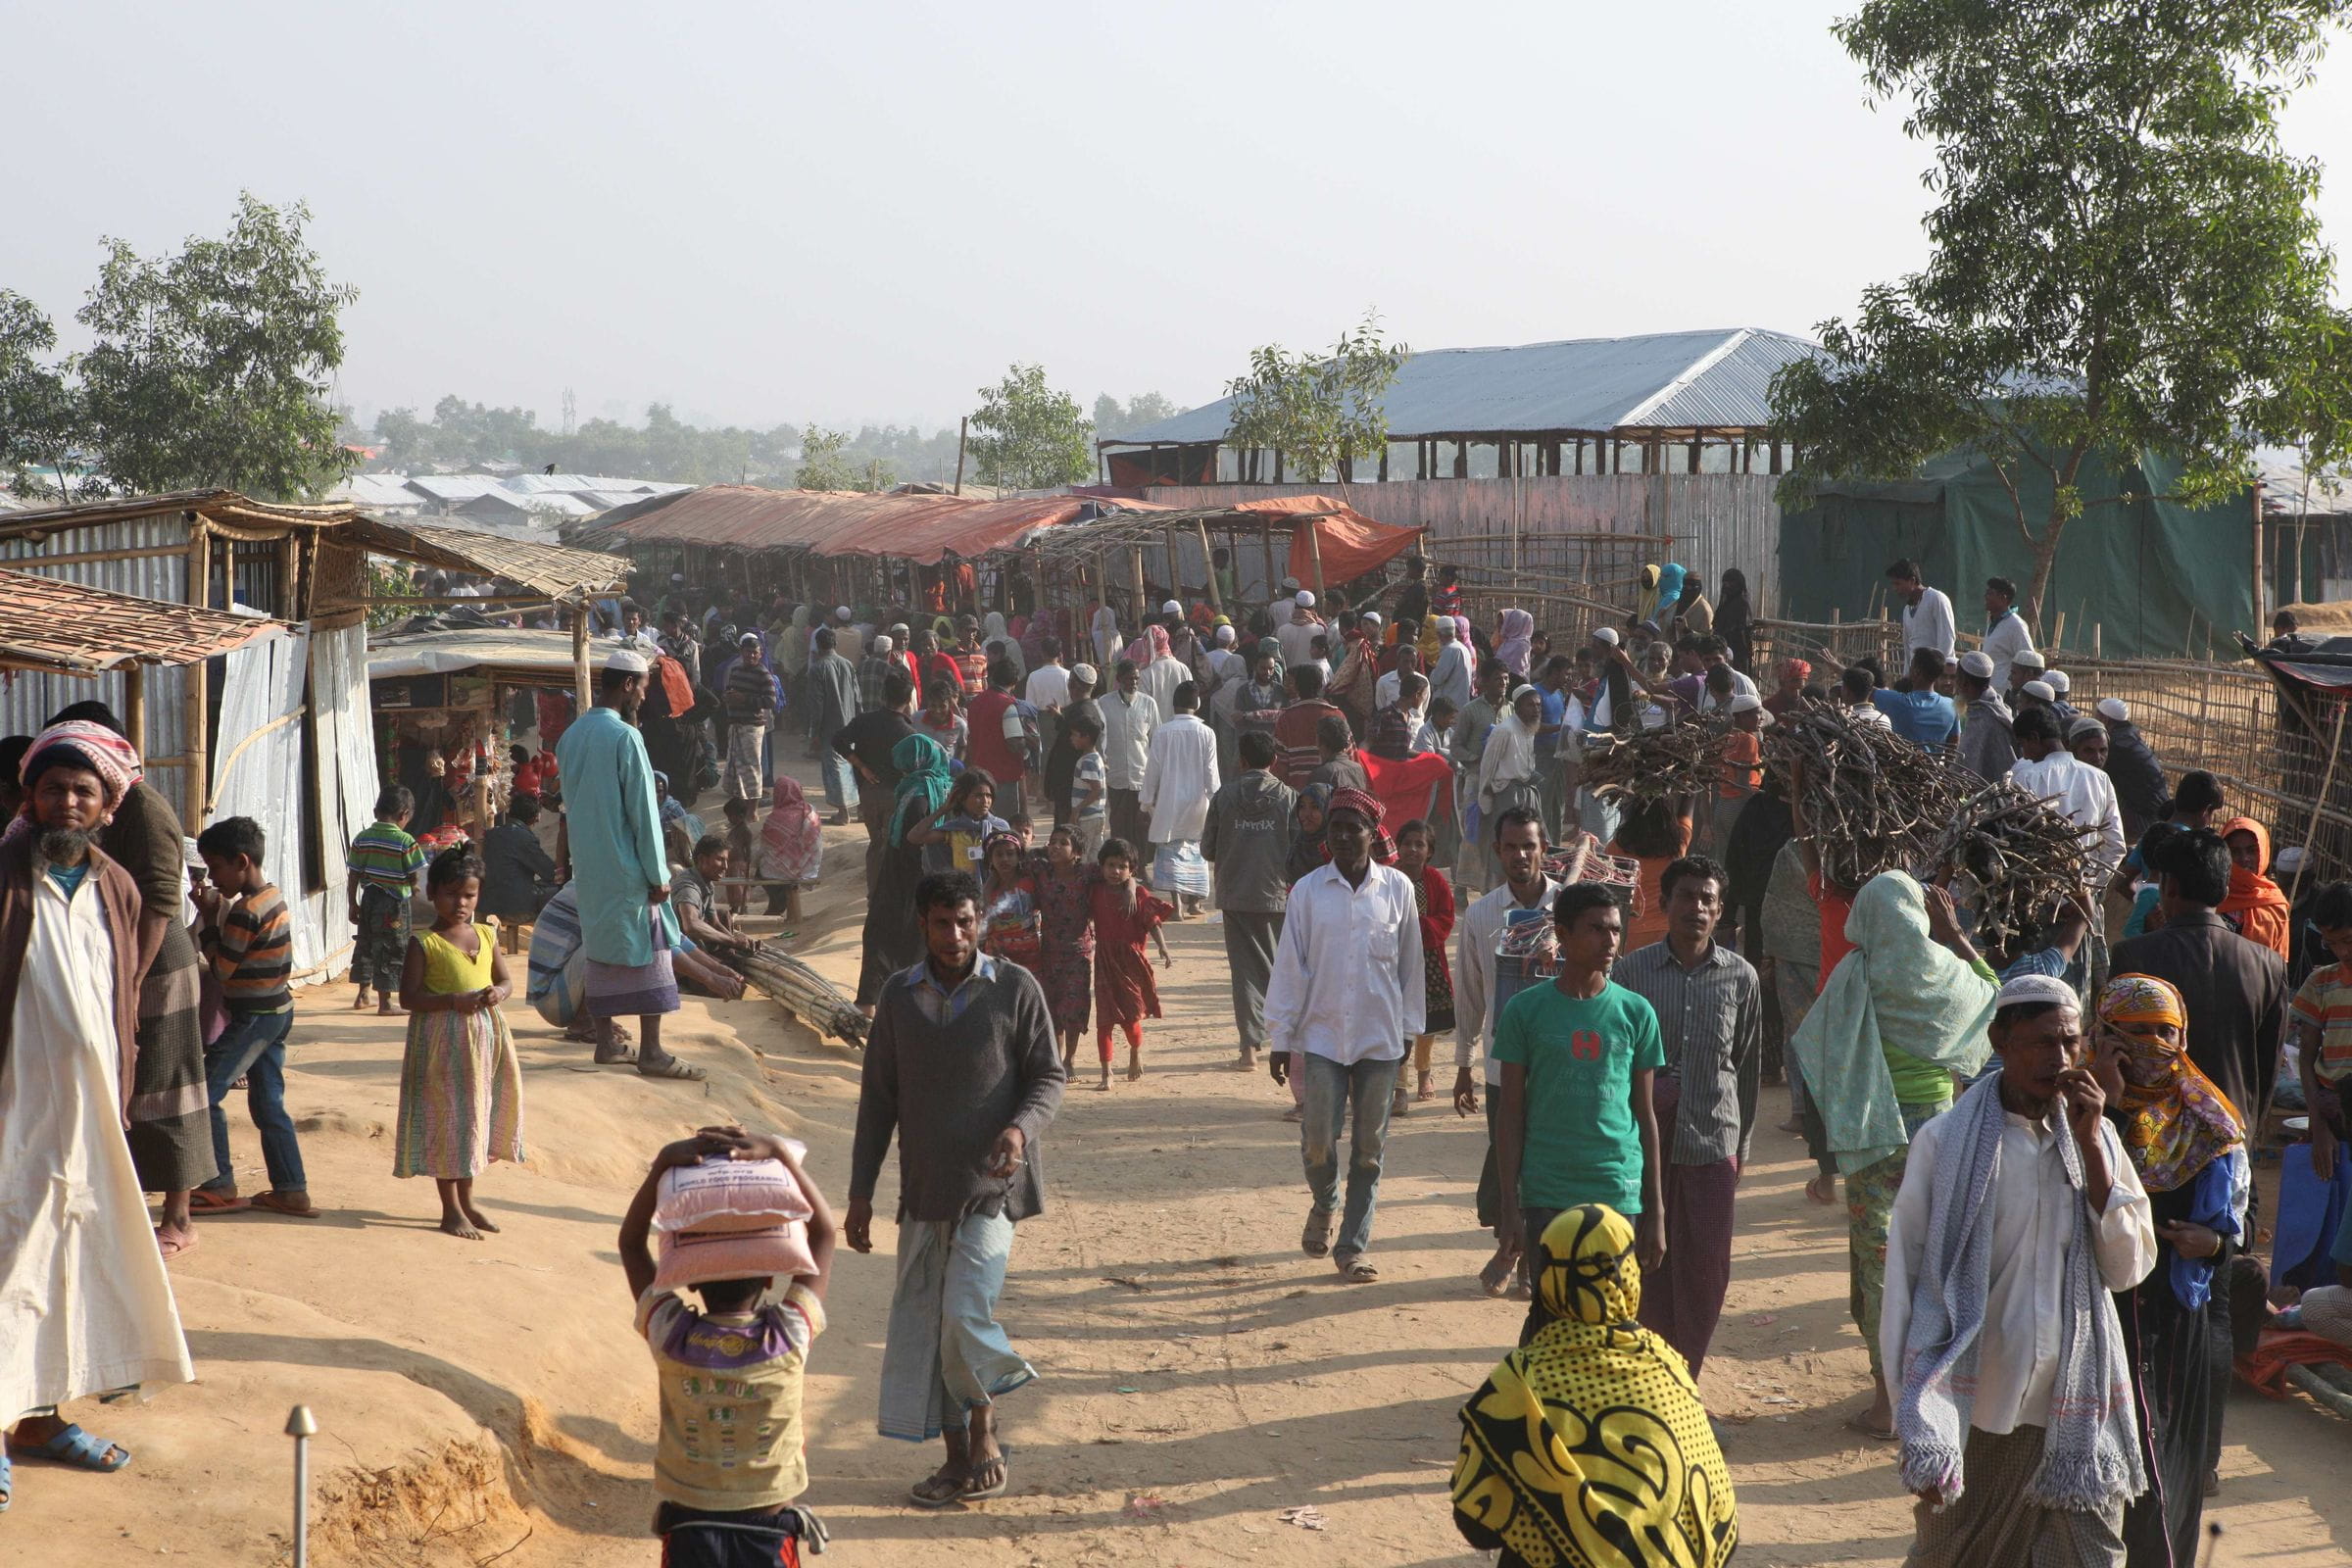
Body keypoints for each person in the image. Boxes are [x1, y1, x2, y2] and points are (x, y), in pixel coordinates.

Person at [1883, 973, 2155, 1568]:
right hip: (1978, 1405)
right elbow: (1906, 1283)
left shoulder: (2099, 1139)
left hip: (2075, 1403)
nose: (2058, 1059)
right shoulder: (1944, 1143)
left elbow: (2128, 1267)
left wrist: (2091, 1152)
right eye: (2040, 1042)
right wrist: (1914, 1413)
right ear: (2000, 1042)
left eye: (2070, 1042)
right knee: (1955, 1555)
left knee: (2092, 1557)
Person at [0, 722, 196, 1499]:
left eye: (83, 791)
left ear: (108, 803)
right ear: (32, 797)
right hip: (16, 1113)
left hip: (90, 1118)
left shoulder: (117, 885)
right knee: (12, 1256)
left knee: (73, 1261)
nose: (68, 802)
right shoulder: (5, 874)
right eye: (54, 789)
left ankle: (42, 1419)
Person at [848, 871, 1065, 1506]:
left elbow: (1048, 1078)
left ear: (980, 921)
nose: (955, 935)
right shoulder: (896, 998)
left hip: (993, 1190)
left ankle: (985, 1426)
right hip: (924, 1192)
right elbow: (877, 1103)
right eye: (942, 923)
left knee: (966, 1311)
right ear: (922, 923)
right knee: (930, 1325)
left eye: (966, 921)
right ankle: (954, 1463)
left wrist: (1019, 1133)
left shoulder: (1015, 989)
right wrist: (860, 1193)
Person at [1789, 871, 1996, 1437]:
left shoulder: (1856, 972)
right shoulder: (1945, 971)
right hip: (1938, 1133)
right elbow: (1994, 998)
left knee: (1879, 1262)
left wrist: (1825, 1157)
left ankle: (1886, 1403)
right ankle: (1937, 1394)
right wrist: (1954, 936)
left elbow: (1820, 1053)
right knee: (1936, 1259)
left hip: (1873, 1132)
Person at [1450, 1204, 1739, 1568]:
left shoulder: (1519, 1382)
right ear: (1629, 1275)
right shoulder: (1669, 1367)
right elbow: (1718, 1515)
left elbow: (1477, 1527)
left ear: (1548, 1279)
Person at [36, 705, 218, 1260]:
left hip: (156, 962)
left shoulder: (139, 804)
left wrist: (131, 981)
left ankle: (179, 1216)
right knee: (117, 1086)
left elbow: (163, 900)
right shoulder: (67, 819)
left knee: (168, 1082)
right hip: (110, 961)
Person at [2087, 974, 2248, 1567]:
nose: (2153, 1044)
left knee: (2162, 1467)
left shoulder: (2208, 1119)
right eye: (2135, 1032)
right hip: (2091, 1308)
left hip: (2172, 1317)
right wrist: (2104, 1105)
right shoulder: (2070, 1102)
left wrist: (2213, 1244)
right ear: (2105, 1034)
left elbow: (2240, 1222)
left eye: (2165, 1032)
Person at [621, 1126, 835, 1566]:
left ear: (692, 1276)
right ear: (773, 1273)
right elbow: (825, 1235)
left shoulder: (671, 1335)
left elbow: (631, 1244)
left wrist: (663, 1162)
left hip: (689, 1529)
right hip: (768, 1527)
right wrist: (780, 1153)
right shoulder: (789, 1335)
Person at [1493, 882, 1668, 1342]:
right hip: (1548, 1188)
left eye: (1615, 930)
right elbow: (1509, 1114)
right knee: (1551, 1315)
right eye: (1595, 930)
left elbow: (1644, 1115)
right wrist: (1509, 1205)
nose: (1610, 941)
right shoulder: (1524, 1011)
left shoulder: (1637, 1013)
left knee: (1613, 1315)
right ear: (1563, 935)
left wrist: (1656, 1211)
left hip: (1617, 1186)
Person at [1611, 855, 1760, 1382]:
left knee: (1705, 1273)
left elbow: (1744, 1063)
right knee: (1644, 1268)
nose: (1696, 907)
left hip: (1712, 1141)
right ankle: (1646, 1382)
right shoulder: (1630, 972)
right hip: (1642, 1145)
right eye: (1686, 896)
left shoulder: (1741, 976)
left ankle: (1683, 1382)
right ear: (1665, 903)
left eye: (1707, 899)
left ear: (1720, 912)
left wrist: (1740, 1146)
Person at [1263, 788, 1421, 1280]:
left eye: (1355, 828)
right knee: (1317, 1141)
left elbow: (1410, 966)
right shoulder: (1307, 892)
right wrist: (1281, 1038)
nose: (1345, 837)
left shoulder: (1398, 890)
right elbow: (1290, 968)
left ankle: (1352, 1247)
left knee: (1369, 1150)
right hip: (1323, 1037)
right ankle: (1325, 1201)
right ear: (1326, 837)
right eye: (1337, 828)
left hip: (1380, 1039)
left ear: (1374, 835)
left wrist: (1409, 1029)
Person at [557, 651, 699, 1080]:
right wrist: (658, 875)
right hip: (628, 867)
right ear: (627, 685)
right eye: (643, 685)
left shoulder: (570, 736)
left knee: (601, 952)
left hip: (591, 866)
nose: (645, 693)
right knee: (651, 951)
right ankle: (651, 1051)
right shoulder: (625, 737)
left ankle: (605, 1042)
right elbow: (642, 811)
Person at [2111, 827, 2288, 1144]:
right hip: (2231, 1136)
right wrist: (2246, 1129)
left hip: (2154, 1141)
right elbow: (2268, 1064)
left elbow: (2118, 1055)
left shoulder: (2133, 955)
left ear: (2170, 887)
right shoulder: (2268, 964)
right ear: (2224, 890)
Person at [394, 845, 524, 1241]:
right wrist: (452, 1002)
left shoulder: (486, 934)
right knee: (447, 1121)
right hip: (441, 1044)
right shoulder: (424, 943)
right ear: (431, 893)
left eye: (469, 894)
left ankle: (468, 1203)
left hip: (484, 1043)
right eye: (451, 894)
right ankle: (449, 1210)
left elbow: (505, 980)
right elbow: (408, 998)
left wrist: (497, 994)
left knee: (473, 1119)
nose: (461, 903)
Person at [190, 815, 315, 1218]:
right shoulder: (273, 896)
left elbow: (223, 969)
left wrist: (209, 920)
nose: (213, 878)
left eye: (216, 868)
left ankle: (219, 1183)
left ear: (241, 861)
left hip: (254, 1016)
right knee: (268, 1104)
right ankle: (291, 1189)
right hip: (277, 1010)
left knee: (205, 1093)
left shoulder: (245, 910)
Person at [1203, 731, 1297, 1071]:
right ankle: (1287, 1042)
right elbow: (1297, 848)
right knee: (1277, 967)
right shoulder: (1289, 798)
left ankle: (1249, 1049)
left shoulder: (1224, 796)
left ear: (1241, 760)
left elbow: (1207, 848)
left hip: (1235, 893)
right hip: (1275, 893)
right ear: (1273, 761)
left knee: (1244, 972)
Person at [1087, 837, 1173, 1087]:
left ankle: (1135, 1051)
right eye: (1110, 865)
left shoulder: (1139, 894)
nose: (1115, 872)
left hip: (1132, 962)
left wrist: (1163, 948)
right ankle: (1107, 1072)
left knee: (1131, 1018)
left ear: (1131, 870)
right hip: (1104, 961)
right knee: (1104, 1019)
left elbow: (1153, 922)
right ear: (1102, 866)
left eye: (1122, 867)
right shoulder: (1095, 891)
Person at [2012, 707, 2127, 886]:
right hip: (2084, 898)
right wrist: (2088, 887)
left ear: (2034, 738)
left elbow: (2016, 841)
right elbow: (2116, 846)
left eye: (2022, 745)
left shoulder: (2026, 777)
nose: (2024, 753)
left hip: (2039, 895)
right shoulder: (2100, 778)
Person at [832, 669, 916, 896]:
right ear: (908, 700)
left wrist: (861, 766)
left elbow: (837, 740)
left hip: (868, 792)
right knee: (892, 845)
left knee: (876, 843)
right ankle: (888, 893)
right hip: (895, 795)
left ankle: (874, 893)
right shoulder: (909, 732)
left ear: (883, 695)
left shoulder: (864, 721)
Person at [1394, 818, 1457, 1111]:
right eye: (1407, 844)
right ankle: (1399, 1087)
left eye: (1419, 845)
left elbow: (1446, 917)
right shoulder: (1389, 878)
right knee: (1397, 1020)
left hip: (1429, 959)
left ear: (1430, 851)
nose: (1412, 850)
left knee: (1426, 1024)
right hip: (1395, 961)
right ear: (1398, 846)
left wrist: (1418, 927)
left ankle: (1425, 1071)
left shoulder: (1435, 881)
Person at [1140, 680, 1218, 915]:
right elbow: (1211, 773)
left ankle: (1177, 906)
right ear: (1197, 704)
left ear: (1174, 705)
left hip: (1169, 800)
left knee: (1172, 850)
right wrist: (1216, 800)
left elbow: (1152, 768)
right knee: (1196, 850)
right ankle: (1194, 903)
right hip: (1198, 801)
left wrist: (1146, 798)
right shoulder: (1207, 733)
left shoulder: (1163, 732)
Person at [348, 783, 427, 1012]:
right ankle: (386, 1003)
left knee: (366, 942)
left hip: (369, 898)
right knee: (391, 947)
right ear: (405, 815)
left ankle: (363, 995)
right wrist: (414, 888)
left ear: (375, 812)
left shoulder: (362, 838)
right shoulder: (406, 841)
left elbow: (353, 873)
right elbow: (414, 873)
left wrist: (352, 903)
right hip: (393, 904)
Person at [1029, 825, 1097, 1072]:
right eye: (1052, 842)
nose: (1055, 846)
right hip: (1048, 950)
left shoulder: (1088, 874)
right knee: (1052, 1005)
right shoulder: (1040, 871)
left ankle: (1070, 1058)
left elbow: (1121, 873)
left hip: (1079, 952)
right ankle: (1056, 1059)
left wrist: (1131, 887)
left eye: (1063, 843)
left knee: (1074, 1006)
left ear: (1077, 852)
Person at [480, 793, 560, 948]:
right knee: (561, 891)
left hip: (488, 902)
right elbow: (549, 872)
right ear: (535, 818)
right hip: (514, 906)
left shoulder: (493, 834)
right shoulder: (523, 837)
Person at [1099, 660, 1159, 856]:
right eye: (1128, 679)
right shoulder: (1104, 703)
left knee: (1142, 827)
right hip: (1116, 777)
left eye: (1136, 679)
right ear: (1119, 680)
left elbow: (1155, 740)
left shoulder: (1148, 703)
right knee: (1119, 826)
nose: (1133, 683)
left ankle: (1140, 867)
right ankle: (1119, 867)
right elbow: (1100, 738)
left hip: (1141, 777)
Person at [807, 626, 861, 825]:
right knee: (853, 764)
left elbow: (816, 704)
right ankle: (860, 810)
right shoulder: (847, 664)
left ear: (818, 645)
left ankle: (843, 812)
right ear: (835, 644)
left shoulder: (817, 668)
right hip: (851, 723)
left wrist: (814, 732)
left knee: (836, 768)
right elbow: (857, 696)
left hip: (830, 727)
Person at [2217, 814, 2291, 959]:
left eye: (2252, 850)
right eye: (2235, 852)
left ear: (2263, 851)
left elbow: (2279, 963)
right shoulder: (2212, 894)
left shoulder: (2274, 903)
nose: (2245, 858)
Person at [2094, 699, 2168, 843]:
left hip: (2144, 817)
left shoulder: (2115, 744)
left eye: (2096, 716)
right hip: (2157, 812)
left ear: (2105, 719)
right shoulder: (2130, 735)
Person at [755, 777, 823, 919]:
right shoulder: (810, 813)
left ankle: (775, 908)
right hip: (804, 870)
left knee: (763, 870)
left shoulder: (774, 818)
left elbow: (764, 848)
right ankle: (778, 907)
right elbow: (816, 845)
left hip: (773, 871)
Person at [722, 632, 780, 801]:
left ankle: (753, 804)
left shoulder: (763, 674)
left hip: (752, 726)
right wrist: (728, 697)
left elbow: (770, 701)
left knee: (751, 766)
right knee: (735, 763)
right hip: (735, 724)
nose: (751, 655)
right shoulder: (735, 671)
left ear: (760, 654)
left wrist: (745, 699)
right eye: (748, 652)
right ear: (742, 652)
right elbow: (730, 691)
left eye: (755, 652)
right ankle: (740, 799)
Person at [673, 835, 752, 955]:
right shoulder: (688, 887)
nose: (725, 866)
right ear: (702, 859)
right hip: (678, 947)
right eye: (720, 859)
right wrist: (733, 941)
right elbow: (691, 925)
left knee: (723, 915)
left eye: (726, 861)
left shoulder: (707, 883)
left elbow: (714, 922)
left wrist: (736, 943)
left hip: (690, 942)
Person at [1873, 646, 1960, 748]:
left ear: (1916, 671)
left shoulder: (1898, 701)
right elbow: (1953, 746)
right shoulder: (1952, 706)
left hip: (1901, 761)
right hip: (1934, 763)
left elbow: (1865, 690)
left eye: (1911, 665)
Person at [1952, 651, 2017, 782]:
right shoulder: (1997, 705)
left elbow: (1966, 766)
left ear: (1964, 683)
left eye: (1956, 679)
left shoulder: (1984, 718)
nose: (1955, 685)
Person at [1887, 558, 1957, 662]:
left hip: (1936, 672)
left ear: (1912, 581)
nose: (1895, 588)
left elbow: (1947, 639)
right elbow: (1908, 649)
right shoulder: (1907, 610)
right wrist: (1908, 675)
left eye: (1898, 584)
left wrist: (1941, 672)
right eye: (1893, 584)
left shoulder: (1936, 599)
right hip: (1918, 673)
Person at [1981, 575, 2037, 691]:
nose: (1986, 597)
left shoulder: (2016, 625)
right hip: (1990, 693)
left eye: (1990, 593)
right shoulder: (1993, 622)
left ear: (2003, 598)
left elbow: (2028, 660)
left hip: (2005, 697)